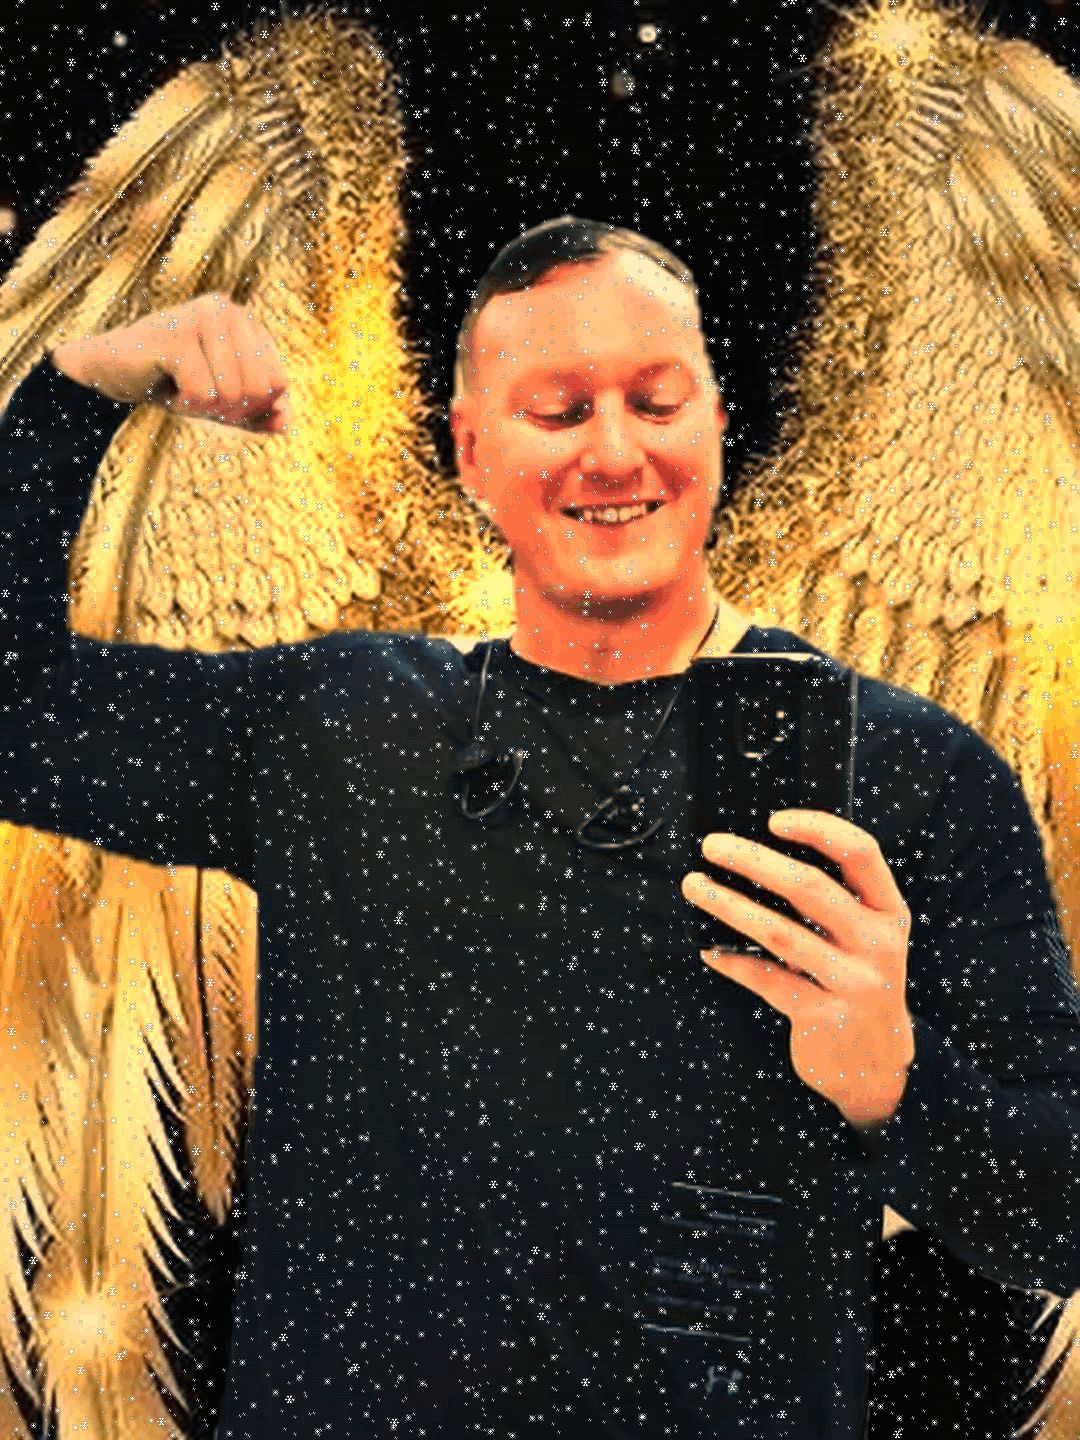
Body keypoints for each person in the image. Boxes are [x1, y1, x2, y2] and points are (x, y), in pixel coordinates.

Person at [3, 215, 1079, 1440]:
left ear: (717, 423)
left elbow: (1059, 1215)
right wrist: (74, 391)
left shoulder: (910, 773)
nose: (614, 453)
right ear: (471, 449)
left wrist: (898, 1083)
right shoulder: (335, 729)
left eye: (657, 402)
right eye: (559, 412)